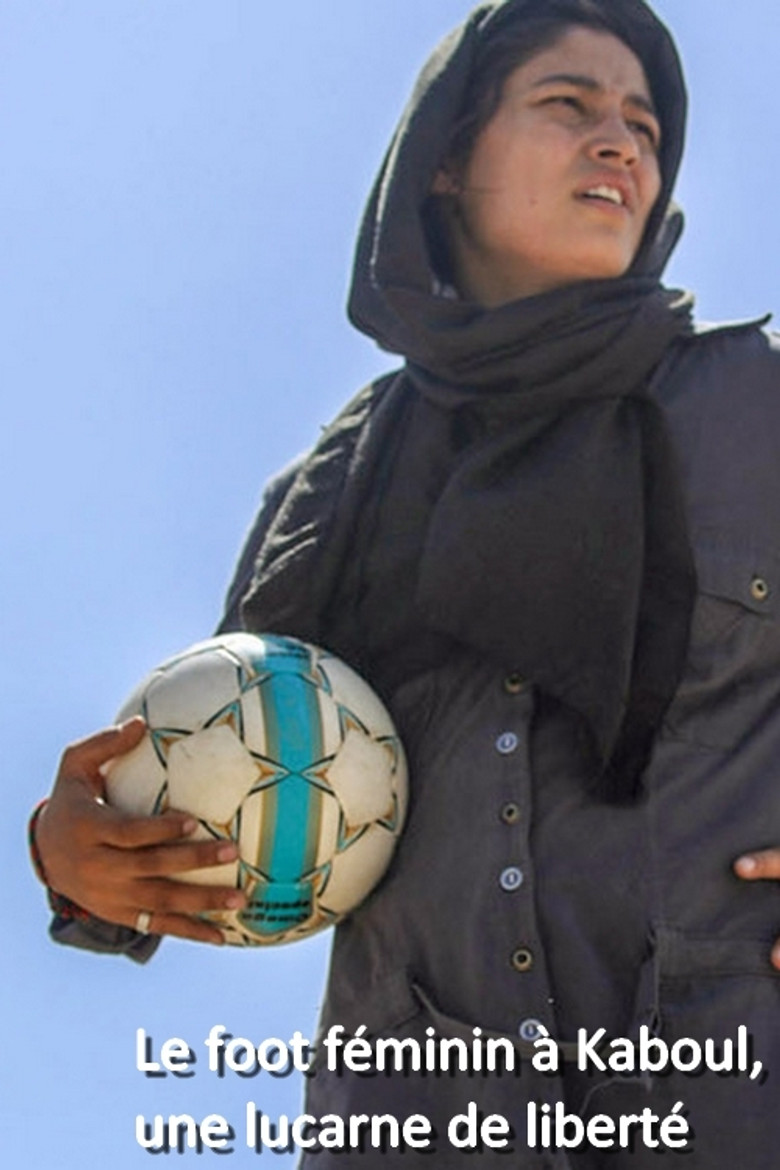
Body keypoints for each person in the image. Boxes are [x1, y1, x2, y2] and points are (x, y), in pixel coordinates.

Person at [29, 0, 780, 1164]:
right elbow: (221, 802)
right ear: (444, 163)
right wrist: (78, 861)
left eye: (643, 121)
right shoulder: (333, 490)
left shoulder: (754, 412)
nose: (622, 143)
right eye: (567, 106)